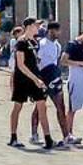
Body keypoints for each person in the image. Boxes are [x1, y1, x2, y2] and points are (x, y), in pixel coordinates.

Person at [8, 21, 55, 150]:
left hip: (35, 78)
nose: (38, 28)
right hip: (22, 79)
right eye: (36, 26)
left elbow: (34, 61)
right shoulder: (21, 43)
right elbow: (21, 65)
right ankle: (13, 136)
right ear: (29, 27)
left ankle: (48, 138)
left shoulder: (34, 42)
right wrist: (35, 79)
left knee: (42, 106)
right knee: (18, 106)